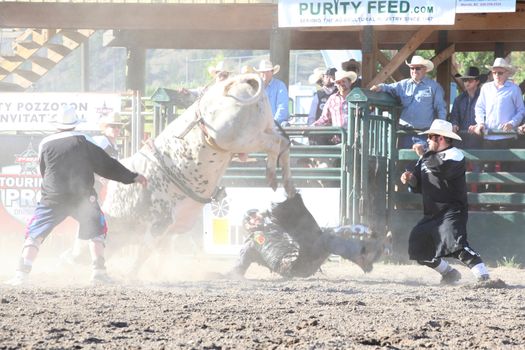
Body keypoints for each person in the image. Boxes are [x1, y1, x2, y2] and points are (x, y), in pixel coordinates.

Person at [5, 106, 148, 286]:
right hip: (81, 196)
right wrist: (132, 177)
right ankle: (98, 272)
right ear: (74, 125)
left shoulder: (45, 143)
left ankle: (22, 273)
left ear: (56, 125)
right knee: (97, 228)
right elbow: (106, 164)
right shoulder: (84, 140)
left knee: (35, 233)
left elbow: (43, 170)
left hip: (53, 196)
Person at [400, 119, 490, 284]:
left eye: (430, 136)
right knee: (418, 247)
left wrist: (423, 155)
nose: (427, 139)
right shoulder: (427, 158)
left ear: (440, 138)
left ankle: (483, 277)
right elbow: (419, 184)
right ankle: (449, 273)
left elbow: (441, 171)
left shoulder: (455, 154)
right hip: (432, 212)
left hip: (451, 210)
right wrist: (410, 179)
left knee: (456, 245)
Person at [226, 193, 385, 279]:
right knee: (326, 238)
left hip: (303, 258)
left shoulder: (275, 226)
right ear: (246, 226)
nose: (255, 218)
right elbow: (238, 270)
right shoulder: (252, 242)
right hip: (291, 265)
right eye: (250, 218)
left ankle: (362, 255)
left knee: (327, 237)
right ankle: (361, 253)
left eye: (255, 215)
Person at [370, 55, 447, 156]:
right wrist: (379, 87)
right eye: (412, 68)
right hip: (404, 134)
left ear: (425, 70)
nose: (414, 70)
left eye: (417, 68)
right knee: (403, 166)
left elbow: (441, 109)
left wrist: (440, 132)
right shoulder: (403, 84)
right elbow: (389, 87)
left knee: (423, 165)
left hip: (424, 134)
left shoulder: (434, 87)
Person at [473, 58, 525, 149]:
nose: (497, 75)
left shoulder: (514, 89)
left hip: (508, 137)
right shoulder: (485, 88)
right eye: (494, 72)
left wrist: (512, 123)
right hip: (488, 135)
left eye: (500, 73)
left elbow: (521, 110)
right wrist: (480, 123)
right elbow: (479, 108)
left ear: (507, 73)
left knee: (507, 163)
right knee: (487, 163)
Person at [311, 70, 357, 144]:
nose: (341, 84)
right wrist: (311, 127)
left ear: (350, 82)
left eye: (344, 81)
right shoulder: (332, 99)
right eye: (339, 82)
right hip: (338, 138)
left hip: (356, 138)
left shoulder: (357, 97)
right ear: (336, 85)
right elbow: (324, 118)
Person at [450, 67, 484, 149]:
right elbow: (454, 116)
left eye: (470, 80)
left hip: (479, 140)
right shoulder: (458, 99)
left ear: (477, 81)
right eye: (465, 80)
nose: (467, 83)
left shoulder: (484, 98)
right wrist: (454, 124)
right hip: (461, 139)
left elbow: (488, 117)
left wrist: (478, 126)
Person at [254, 59, 289, 126]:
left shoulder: (280, 86)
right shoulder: (256, 87)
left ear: (272, 72)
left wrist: (273, 123)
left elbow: (282, 107)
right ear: (259, 73)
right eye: (262, 72)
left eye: (267, 71)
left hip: (277, 125)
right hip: (259, 125)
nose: (265, 74)